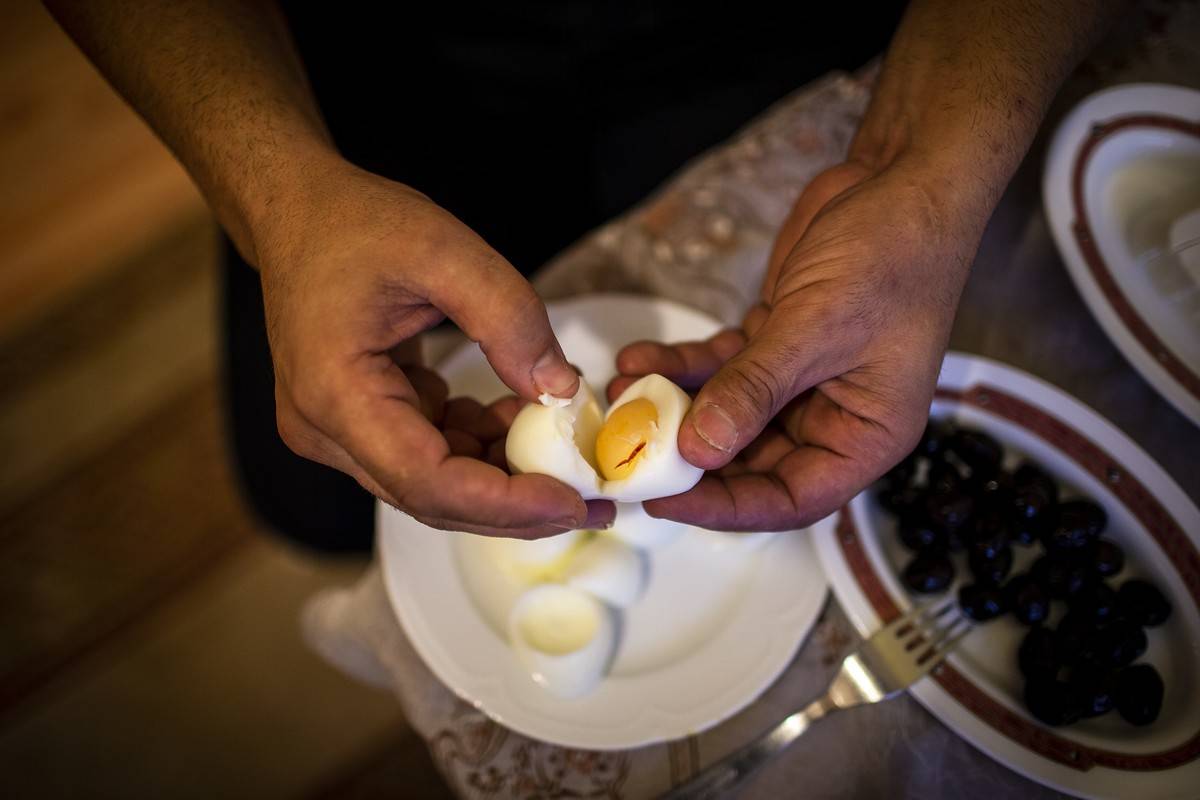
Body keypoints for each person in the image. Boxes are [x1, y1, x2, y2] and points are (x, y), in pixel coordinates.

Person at [47, 1, 1115, 551]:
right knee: (321, 493)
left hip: (770, 40)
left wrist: (926, 170)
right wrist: (277, 198)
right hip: (388, 51)